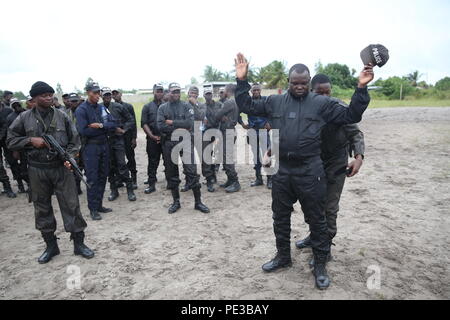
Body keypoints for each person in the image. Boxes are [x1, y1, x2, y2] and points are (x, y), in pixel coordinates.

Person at [234, 53, 374, 290]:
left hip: (311, 170)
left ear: (308, 83)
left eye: (303, 83)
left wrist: (361, 87)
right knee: (280, 216)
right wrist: (241, 80)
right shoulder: (274, 102)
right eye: (294, 83)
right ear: (288, 82)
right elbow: (246, 105)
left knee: (318, 220)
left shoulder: (322, 103)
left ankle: (319, 265)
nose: (299, 87)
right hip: (283, 171)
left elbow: (352, 115)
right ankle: (283, 257)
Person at [7, 81, 94, 264]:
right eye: (43, 95)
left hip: (61, 168)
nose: (48, 98)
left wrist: (69, 158)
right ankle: (51, 246)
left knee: (72, 205)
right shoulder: (24, 118)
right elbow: (11, 140)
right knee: (42, 207)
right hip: (37, 169)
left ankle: (79, 244)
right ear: (34, 99)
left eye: (50, 95)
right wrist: (31, 140)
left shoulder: (62, 116)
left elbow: (75, 141)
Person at [295, 74, 365, 266]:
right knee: (310, 204)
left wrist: (358, 157)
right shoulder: (305, 108)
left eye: (328, 92)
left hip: (336, 164)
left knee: (329, 208)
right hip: (312, 163)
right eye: (320, 93)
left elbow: (356, 134)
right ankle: (314, 235)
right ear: (312, 91)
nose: (324, 97)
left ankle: (325, 248)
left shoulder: (339, 108)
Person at [157, 82, 210, 214]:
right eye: (173, 91)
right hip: (169, 143)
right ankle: (176, 202)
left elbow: (190, 123)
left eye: (177, 91)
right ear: (168, 93)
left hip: (185, 141)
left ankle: (198, 202)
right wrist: (180, 127)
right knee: (172, 173)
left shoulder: (186, 105)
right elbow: (160, 126)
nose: (176, 94)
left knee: (192, 171)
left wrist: (172, 122)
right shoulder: (163, 108)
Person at [75, 82, 116, 221]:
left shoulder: (102, 108)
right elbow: (84, 131)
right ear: (88, 93)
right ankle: (93, 209)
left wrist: (100, 125)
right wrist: (104, 128)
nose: (97, 95)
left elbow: (113, 124)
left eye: (98, 93)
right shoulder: (81, 110)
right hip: (91, 148)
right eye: (94, 93)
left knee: (103, 176)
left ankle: (99, 205)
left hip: (104, 145)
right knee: (92, 178)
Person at [101, 88, 136, 202]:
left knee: (121, 164)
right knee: (110, 166)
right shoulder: (98, 108)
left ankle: (130, 190)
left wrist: (124, 129)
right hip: (105, 141)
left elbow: (130, 120)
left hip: (118, 140)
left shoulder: (119, 107)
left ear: (111, 96)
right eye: (105, 94)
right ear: (101, 95)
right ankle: (113, 190)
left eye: (108, 94)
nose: (107, 96)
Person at [241, 83, 272, 188]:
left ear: (260, 90)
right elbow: (237, 110)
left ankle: (270, 180)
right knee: (256, 156)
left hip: (263, 130)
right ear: (251, 91)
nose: (256, 92)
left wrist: (270, 123)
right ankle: (258, 179)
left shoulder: (266, 100)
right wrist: (241, 123)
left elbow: (272, 112)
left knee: (266, 155)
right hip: (253, 131)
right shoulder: (248, 102)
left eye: (257, 90)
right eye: (254, 90)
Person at [214, 84, 241, 193]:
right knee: (225, 157)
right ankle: (230, 180)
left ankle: (235, 182)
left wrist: (221, 116)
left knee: (227, 157)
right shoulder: (235, 101)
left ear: (228, 91)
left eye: (224, 90)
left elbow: (217, 115)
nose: (223, 91)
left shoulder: (229, 102)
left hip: (228, 131)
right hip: (228, 131)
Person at [181, 86, 207, 192]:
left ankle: (209, 180)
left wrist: (195, 104)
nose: (193, 94)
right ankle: (189, 182)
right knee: (187, 160)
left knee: (204, 158)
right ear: (188, 93)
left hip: (198, 134)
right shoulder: (183, 105)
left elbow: (201, 116)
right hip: (186, 135)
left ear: (198, 95)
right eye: (191, 92)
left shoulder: (201, 105)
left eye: (195, 93)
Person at [141, 84, 165, 194]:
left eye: (161, 91)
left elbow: (170, 122)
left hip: (165, 139)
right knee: (152, 162)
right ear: (153, 92)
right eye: (157, 91)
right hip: (152, 139)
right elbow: (144, 123)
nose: (159, 93)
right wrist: (152, 136)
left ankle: (171, 182)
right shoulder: (147, 107)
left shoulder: (167, 106)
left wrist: (164, 135)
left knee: (168, 162)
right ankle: (151, 184)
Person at [112, 89, 138, 189]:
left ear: (121, 94)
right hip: (116, 137)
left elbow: (133, 122)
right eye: (113, 94)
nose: (115, 96)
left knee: (130, 157)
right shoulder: (110, 107)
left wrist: (134, 138)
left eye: (117, 93)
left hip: (128, 136)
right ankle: (119, 179)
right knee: (117, 159)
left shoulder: (128, 106)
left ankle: (134, 178)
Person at [202, 87, 223, 192]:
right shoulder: (202, 107)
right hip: (206, 134)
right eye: (206, 94)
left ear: (212, 95)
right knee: (207, 157)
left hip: (218, 132)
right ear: (204, 96)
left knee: (218, 155)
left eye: (210, 94)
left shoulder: (219, 105)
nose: (208, 96)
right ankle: (209, 179)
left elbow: (224, 117)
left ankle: (214, 175)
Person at [6, 98, 29, 193]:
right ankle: (22, 186)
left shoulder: (27, 114)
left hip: (30, 144)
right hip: (19, 146)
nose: (17, 106)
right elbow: (11, 134)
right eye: (14, 105)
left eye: (18, 104)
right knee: (19, 168)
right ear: (12, 106)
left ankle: (31, 185)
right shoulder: (10, 117)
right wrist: (15, 150)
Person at [0, 92, 16, 198]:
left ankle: (9, 187)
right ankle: (6, 187)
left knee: (11, 161)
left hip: (6, 141)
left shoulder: (7, 110)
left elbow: (7, 126)